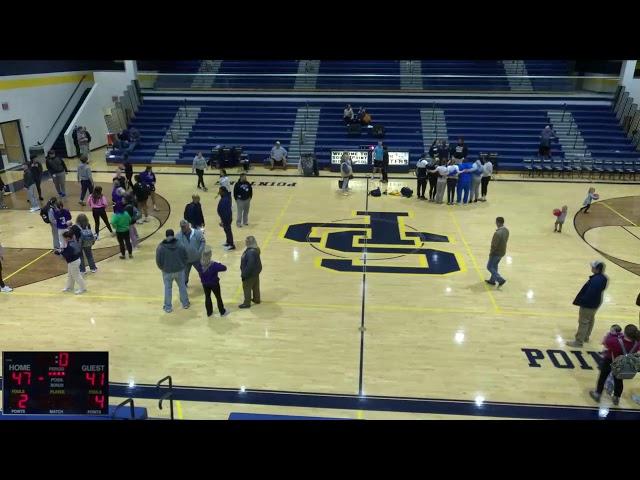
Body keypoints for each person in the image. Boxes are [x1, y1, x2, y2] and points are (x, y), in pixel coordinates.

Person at [589, 324, 640, 406]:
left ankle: (597, 394)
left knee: (603, 377)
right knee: (619, 380)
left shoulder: (614, 341)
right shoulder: (637, 343)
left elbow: (604, 342)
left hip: (610, 360)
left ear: (625, 333)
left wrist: (611, 333)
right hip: (623, 364)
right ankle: (616, 398)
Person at [566, 260, 609, 348]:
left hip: (589, 304)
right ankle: (585, 337)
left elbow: (591, 293)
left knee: (584, 322)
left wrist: (582, 301)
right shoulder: (603, 278)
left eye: (593, 267)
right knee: (590, 319)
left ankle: (578, 342)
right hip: (596, 302)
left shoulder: (596, 280)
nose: (591, 268)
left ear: (597, 269)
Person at [155, 228, 190, 313]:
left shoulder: (161, 247)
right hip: (180, 270)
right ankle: (185, 303)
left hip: (167, 272)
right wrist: (182, 265)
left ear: (166, 236)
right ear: (173, 235)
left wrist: (162, 268)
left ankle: (168, 307)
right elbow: (186, 256)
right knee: (182, 287)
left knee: (168, 289)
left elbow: (158, 261)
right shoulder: (180, 244)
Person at [195, 245, 228, 317]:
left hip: (205, 284)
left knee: (207, 297)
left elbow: (199, 271)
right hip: (214, 283)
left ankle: (209, 312)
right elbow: (224, 268)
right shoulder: (213, 265)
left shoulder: (199, 264)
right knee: (218, 297)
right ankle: (222, 311)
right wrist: (219, 263)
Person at [176, 219, 206, 286]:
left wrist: (199, 251)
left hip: (197, 259)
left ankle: (205, 283)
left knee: (202, 272)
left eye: (184, 226)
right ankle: (184, 284)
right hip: (185, 260)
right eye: (182, 227)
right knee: (184, 275)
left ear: (188, 225)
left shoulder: (197, 233)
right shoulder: (178, 236)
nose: (183, 228)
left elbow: (203, 242)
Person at [55, 230, 86, 294]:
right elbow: (67, 252)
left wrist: (59, 252)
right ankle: (70, 287)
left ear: (68, 238)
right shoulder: (72, 242)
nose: (64, 239)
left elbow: (68, 255)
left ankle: (82, 288)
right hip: (73, 261)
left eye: (64, 238)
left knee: (76, 275)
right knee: (70, 275)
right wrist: (61, 251)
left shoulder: (71, 245)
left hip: (74, 262)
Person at [238, 236, 262, 309]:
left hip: (249, 274)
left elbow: (250, 265)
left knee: (247, 288)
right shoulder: (256, 249)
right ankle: (256, 299)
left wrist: (244, 274)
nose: (245, 242)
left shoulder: (250, 253)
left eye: (246, 241)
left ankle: (246, 303)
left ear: (249, 243)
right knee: (255, 286)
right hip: (256, 272)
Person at [485, 217, 509, 288]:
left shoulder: (497, 233)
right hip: (502, 252)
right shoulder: (506, 230)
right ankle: (492, 280)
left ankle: (500, 279)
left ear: (498, 222)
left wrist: (491, 253)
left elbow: (494, 245)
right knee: (495, 266)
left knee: (489, 267)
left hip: (496, 253)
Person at [217, 187, 235, 251]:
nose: (219, 192)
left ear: (223, 191)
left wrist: (224, 220)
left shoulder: (226, 199)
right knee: (226, 231)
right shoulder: (224, 197)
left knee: (228, 231)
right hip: (224, 218)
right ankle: (228, 242)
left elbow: (226, 211)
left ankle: (232, 245)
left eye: (220, 191)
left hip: (226, 219)